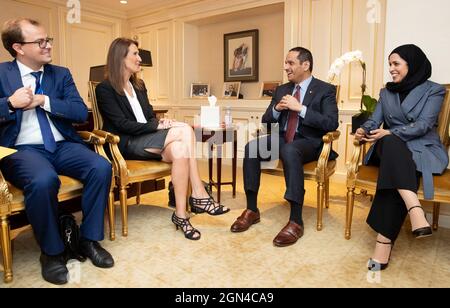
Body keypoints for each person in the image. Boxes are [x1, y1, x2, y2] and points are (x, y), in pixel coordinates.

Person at [0, 18, 114, 285]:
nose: (48, 45)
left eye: (48, 39)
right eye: (39, 41)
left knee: (101, 166)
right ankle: (52, 252)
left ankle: (89, 240)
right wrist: (10, 104)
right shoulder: (1, 74)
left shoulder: (60, 74)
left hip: (62, 145)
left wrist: (45, 100)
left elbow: (77, 111)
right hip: (21, 149)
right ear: (18, 47)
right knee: (43, 180)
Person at [95, 38, 229, 241]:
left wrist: (160, 121)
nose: (140, 58)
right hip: (127, 143)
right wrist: (156, 126)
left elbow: (149, 116)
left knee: (181, 150)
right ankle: (200, 194)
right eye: (135, 54)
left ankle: (181, 215)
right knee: (185, 129)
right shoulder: (105, 89)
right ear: (120, 57)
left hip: (147, 138)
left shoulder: (139, 86)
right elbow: (122, 124)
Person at [230, 47, 339, 247]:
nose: (285, 67)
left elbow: (331, 123)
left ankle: (296, 220)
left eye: (290, 63)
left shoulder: (325, 89)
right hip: (282, 137)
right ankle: (252, 210)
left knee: (290, 150)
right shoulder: (282, 89)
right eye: (285, 63)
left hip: (309, 141)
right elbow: (266, 122)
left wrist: (302, 109)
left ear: (305, 65)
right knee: (251, 147)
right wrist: (276, 110)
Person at [354, 44, 448, 271]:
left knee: (394, 170)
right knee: (389, 144)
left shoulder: (434, 90)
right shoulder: (386, 92)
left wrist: (390, 132)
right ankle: (414, 207)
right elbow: (374, 121)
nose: (391, 69)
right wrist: (364, 130)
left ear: (412, 64)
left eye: (396, 64)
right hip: (387, 148)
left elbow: (424, 124)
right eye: (389, 64)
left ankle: (382, 244)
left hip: (421, 149)